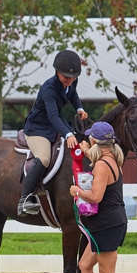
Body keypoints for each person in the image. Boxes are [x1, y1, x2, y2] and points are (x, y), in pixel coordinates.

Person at [63, 122, 128, 273]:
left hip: (106, 225)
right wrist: (85, 150)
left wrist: (77, 191)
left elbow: (95, 196)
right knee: (84, 265)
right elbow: (95, 158)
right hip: (108, 223)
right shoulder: (111, 160)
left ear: (95, 141)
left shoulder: (101, 165)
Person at [18, 50, 88, 216]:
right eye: (66, 77)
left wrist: (79, 107)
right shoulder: (48, 88)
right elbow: (52, 115)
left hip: (54, 124)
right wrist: (67, 134)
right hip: (38, 127)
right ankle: (25, 199)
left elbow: (73, 94)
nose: (70, 81)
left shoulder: (72, 82)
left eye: (73, 77)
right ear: (57, 72)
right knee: (44, 158)